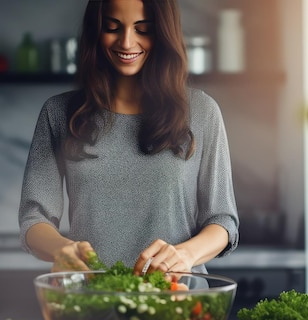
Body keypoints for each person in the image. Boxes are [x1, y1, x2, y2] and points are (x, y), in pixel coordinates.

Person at [19, 0, 238, 279]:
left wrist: (185, 254)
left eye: (143, 29)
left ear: (162, 33)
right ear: (95, 31)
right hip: (89, 301)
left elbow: (222, 220)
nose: (126, 41)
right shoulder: (60, 113)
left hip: (176, 301)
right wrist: (63, 249)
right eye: (112, 27)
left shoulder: (202, 113)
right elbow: (33, 217)